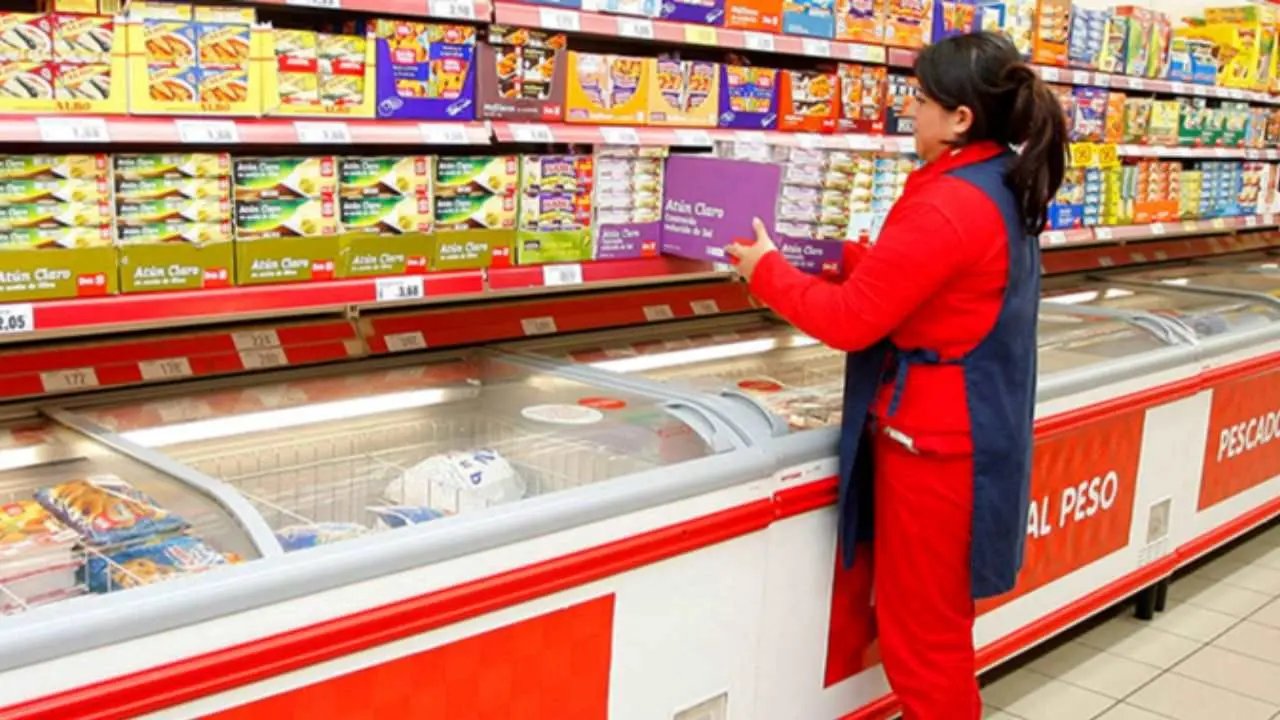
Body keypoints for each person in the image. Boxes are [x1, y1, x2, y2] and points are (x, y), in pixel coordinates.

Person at [725, 32, 1068, 720]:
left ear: (960, 117)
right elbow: (941, 284)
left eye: (919, 99)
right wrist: (859, 262)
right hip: (969, 433)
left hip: (934, 449)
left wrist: (767, 272)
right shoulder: (999, 176)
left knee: (923, 641)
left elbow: (851, 321)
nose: (908, 111)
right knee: (939, 626)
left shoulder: (950, 203)